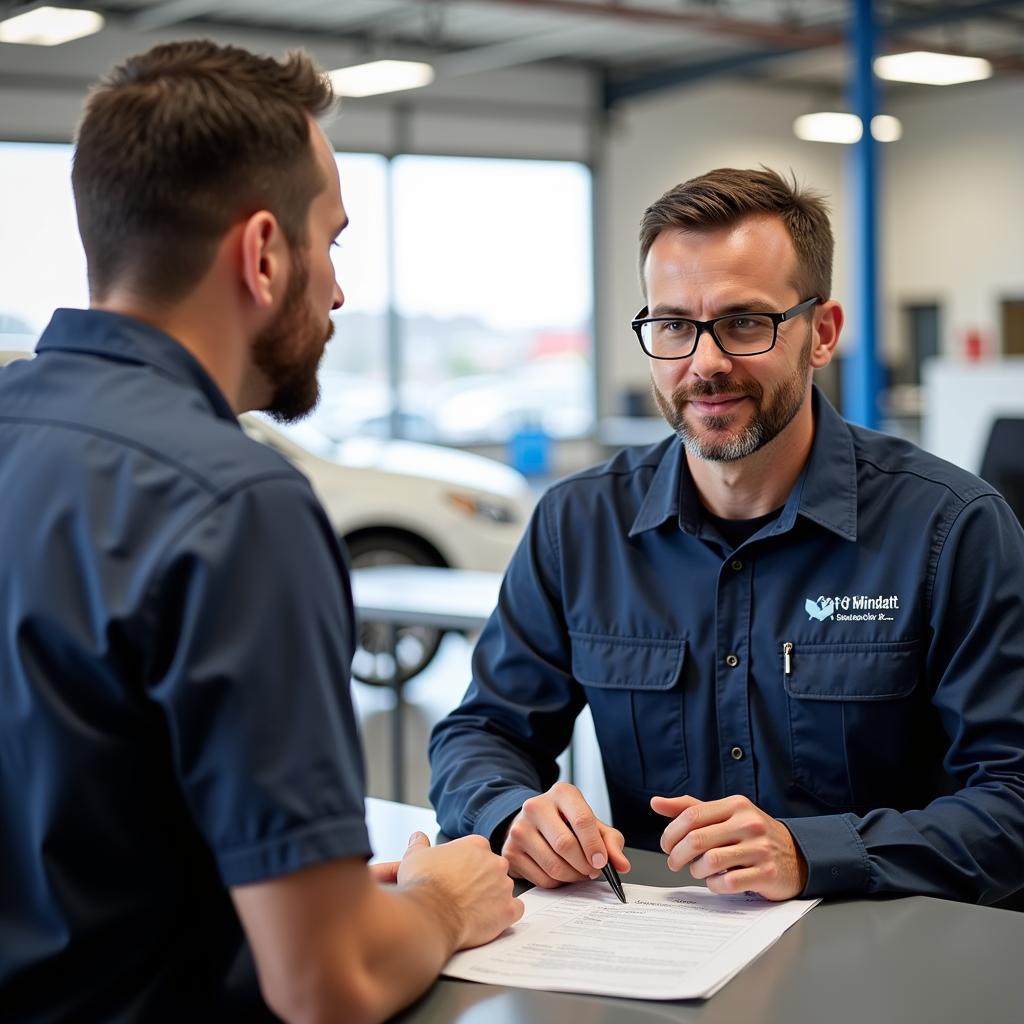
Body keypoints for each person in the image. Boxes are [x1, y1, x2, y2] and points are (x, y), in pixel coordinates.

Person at [0, 40, 522, 1024]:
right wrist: (442, 904)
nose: (335, 290)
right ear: (264, 252)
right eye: (331, 239)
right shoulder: (236, 505)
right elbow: (330, 983)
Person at [429, 167, 1024, 907]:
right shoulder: (578, 525)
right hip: (659, 969)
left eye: (745, 322)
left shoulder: (949, 529)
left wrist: (813, 852)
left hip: (886, 967)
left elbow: (1014, 797)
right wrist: (510, 812)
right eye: (674, 325)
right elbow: (482, 731)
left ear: (821, 334)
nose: (704, 363)